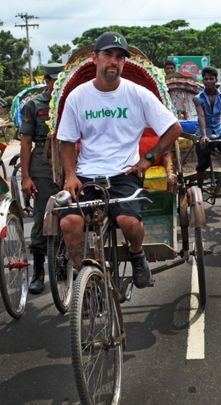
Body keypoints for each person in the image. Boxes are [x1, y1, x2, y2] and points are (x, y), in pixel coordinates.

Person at [57, 31, 182, 288]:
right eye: (108, 55)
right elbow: (67, 141)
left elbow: (173, 128)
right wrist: (70, 175)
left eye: (120, 57)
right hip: (87, 175)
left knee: (129, 221)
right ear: (95, 58)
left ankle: (137, 255)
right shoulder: (77, 97)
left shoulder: (137, 94)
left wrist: (147, 159)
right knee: (69, 222)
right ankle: (82, 274)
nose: (114, 61)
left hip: (124, 174)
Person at [19, 62, 64, 294]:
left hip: (71, 160)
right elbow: (26, 142)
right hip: (43, 165)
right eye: (55, 80)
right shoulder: (33, 105)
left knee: (72, 213)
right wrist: (26, 177)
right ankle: (38, 272)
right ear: (47, 81)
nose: (59, 84)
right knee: (43, 216)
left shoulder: (73, 100)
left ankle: (65, 262)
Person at [193, 66, 221, 189]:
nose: (208, 81)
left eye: (211, 79)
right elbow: (201, 116)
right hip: (204, 131)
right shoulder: (198, 98)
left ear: (215, 80)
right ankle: (199, 188)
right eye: (206, 79)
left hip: (219, 130)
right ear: (203, 80)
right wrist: (203, 135)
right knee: (203, 164)